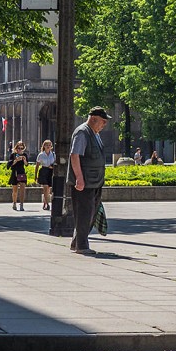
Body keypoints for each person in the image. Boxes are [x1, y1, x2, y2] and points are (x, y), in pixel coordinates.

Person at [69, 107, 111, 254]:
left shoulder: (95, 134)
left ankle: (77, 242)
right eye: (103, 121)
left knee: (91, 212)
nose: (104, 125)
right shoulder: (82, 132)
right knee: (84, 213)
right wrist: (79, 178)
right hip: (85, 182)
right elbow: (75, 155)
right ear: (93, 119)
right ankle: (81, 245)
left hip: (94, 181)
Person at [35, 140, 56, 210]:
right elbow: (37, 165)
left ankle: (45, 202)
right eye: (46, 145)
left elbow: (56, 164)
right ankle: (47, 204)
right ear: (44, 146)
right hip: (43, 171)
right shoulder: (41, 155)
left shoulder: (53, 154)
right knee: (45, 187)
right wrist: (35, 175)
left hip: (50, 171)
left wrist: (52, 166)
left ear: (51, 147)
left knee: (48, 189)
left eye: (49, 145)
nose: (48, 146)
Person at [7, 142, 28, 211]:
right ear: (16, 148)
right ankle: (14, 203)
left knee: (22, 189)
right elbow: (9, 165)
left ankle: (21, 204)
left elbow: (26, 164)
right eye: (18, 148)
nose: (20, 149)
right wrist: (16, 160)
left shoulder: (24, 155)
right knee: (15, 190)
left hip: (21, 172)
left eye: (21, 148)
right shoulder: (13, 155)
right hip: (15, 173)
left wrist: (24, 160)